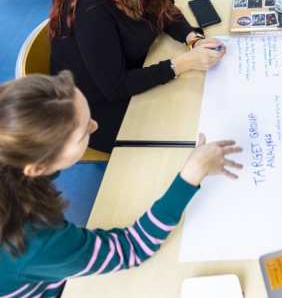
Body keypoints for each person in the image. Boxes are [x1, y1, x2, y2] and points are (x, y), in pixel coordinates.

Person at [0, 72, 242, 297]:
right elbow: (132, 248)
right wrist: (191, 175)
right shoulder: (37, 240)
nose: (95, 125)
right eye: (84, 132)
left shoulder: (16, 163)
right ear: (37, 167)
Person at [49, 0, 225, 152]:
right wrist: (182, 63)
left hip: (130, 76)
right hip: (95, 112)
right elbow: (116, 87)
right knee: (191, 123)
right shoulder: (91, 7)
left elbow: (163, 10)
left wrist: (193, 39)